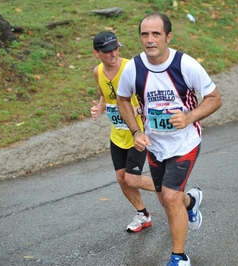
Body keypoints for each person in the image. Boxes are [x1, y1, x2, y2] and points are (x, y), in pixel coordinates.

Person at [117, 13, 222, 266]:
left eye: (156, 34)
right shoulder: (134, 67)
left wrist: (189, 117)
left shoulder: (185, 65)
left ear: (168, 37)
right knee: (165, 197)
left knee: (170, 196)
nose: (150, 40)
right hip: (155, 145)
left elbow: (215, 98)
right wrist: (136, 132)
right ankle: (192, 201)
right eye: (145, 34)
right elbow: (122, 99)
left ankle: (179, 256)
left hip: (185, 143)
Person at [90, 31, 156, 232]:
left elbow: (152, 93)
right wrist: (99, 108)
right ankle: (143, 215)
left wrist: (136, 109)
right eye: (108, 51)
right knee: (122, 178)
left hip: (139, 131)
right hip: (118, 134)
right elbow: (105, 96)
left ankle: (173, 190)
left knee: (132, 178)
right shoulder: (98, 72)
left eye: (116, 49)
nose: (113, 54)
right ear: (97, 53)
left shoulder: (131, 67)